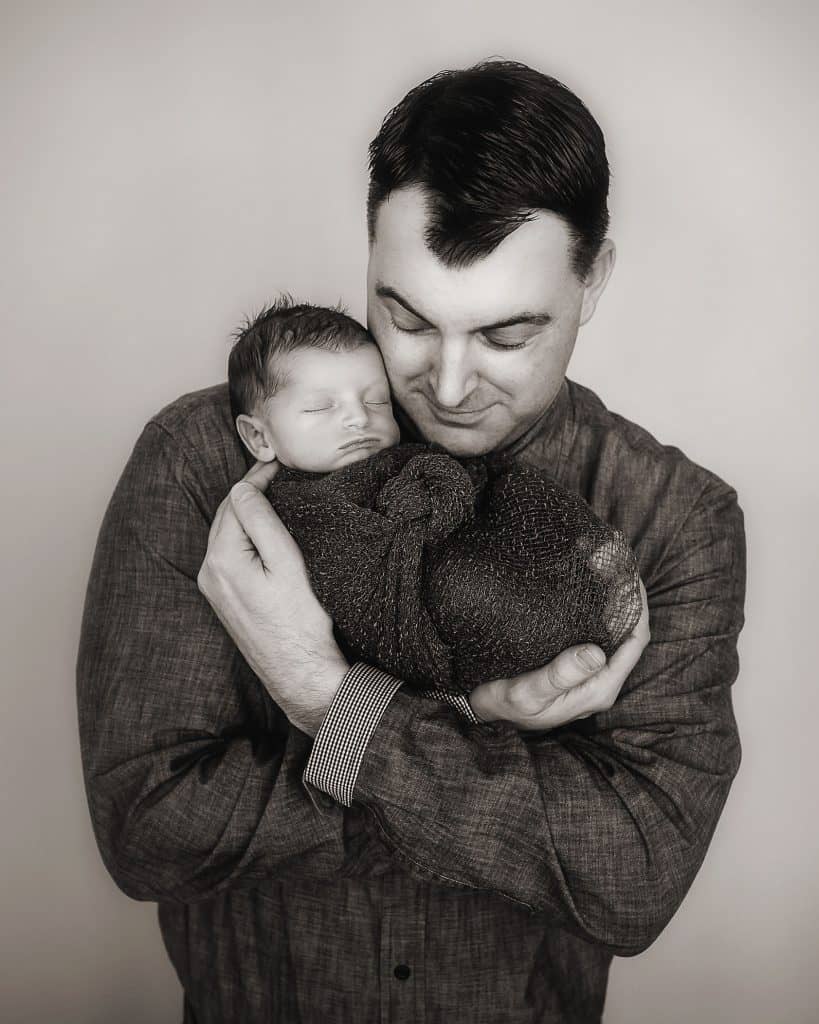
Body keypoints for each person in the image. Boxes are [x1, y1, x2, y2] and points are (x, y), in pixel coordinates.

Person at [76, 60, 746, 1023]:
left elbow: (631, 881)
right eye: (405, 318)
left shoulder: (675, 520)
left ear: (592, 278)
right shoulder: (200, 459)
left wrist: (329, 702)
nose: (448, 383)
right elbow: (147, 828)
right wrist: (482, 756)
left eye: (507, 334)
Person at [228, 296, 643, 712]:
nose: (359, 418)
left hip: (478, 540)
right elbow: (345, 586)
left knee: (518, 493)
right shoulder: (295, 510)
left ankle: (584, 574)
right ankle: (560, 625)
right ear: (260, 438)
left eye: (376, 401)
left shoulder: (404, 451)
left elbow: (470, 480)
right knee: (465, 585)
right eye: (321, 407)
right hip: (426, 600)